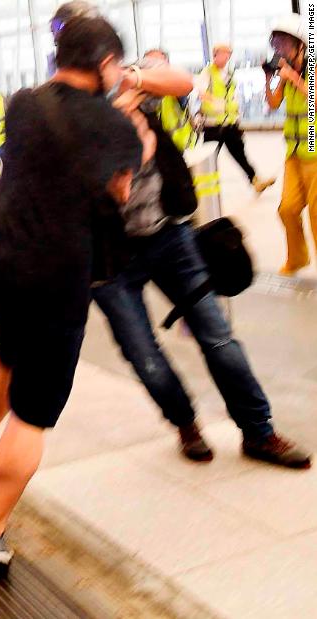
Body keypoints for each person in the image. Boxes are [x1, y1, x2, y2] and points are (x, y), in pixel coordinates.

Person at [0, 15, 144, 581]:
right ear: (107, 64)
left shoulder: (22, 104)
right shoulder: (114, 127)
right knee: (34, 415)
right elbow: (118, 194)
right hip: (55, 275)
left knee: (9, 351)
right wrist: (130, 118)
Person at [90, 52, 312, 470]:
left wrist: (132, 78)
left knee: (219, 338)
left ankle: (259, 432)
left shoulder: (130, 89)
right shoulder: (71, 114)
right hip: (111, 259)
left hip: (171, 237)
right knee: (145, 358)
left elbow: (180, 81)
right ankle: (185, 423)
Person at [265, 13, 317, 277]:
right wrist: (270, 77)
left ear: (301, 45)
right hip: (294, 154)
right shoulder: (285, 72)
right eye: (277, 42)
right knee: (287, 209)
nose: (279, 48)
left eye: (285, 42)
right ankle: (297, 258)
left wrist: (294, 78)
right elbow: (273, 104)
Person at [197, 43, 276, 194]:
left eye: (229, 54)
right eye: (224, 54)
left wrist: (235, 112)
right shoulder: (207, 73)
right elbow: (201, 93)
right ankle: (198, 190)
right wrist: (218, 104)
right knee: (209, 158)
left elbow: (233, 95)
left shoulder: (230, 73)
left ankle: (255, 181)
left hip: (230, 123)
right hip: (213, 125)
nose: (227, 57)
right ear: (215, 54)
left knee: (240, 153)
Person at [141, 49, 197, 152]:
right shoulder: (140, 91)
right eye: (148, 62)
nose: (153, 67)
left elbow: (186, 88)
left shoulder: (175, 88)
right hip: (159, 151)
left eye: (158, 63)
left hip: (182, 147)